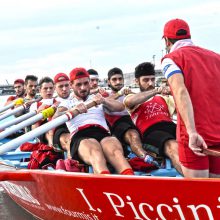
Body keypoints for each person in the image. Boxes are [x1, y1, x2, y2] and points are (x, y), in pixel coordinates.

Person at [161, 18, 220, 178]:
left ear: (166, 41)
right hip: (217, 131)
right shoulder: (216, 57)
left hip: (193, 135)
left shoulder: (171, 59)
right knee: (216, 193)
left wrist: (192, 131)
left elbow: (180, 90)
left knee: (200, 193)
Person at [58, 67, 133, 175]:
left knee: (114, 150)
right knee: (95, 151)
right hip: (80, 136)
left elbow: (120, 107)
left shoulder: (97, 98)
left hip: (102, 132)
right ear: (71, 85)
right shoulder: (66, 102)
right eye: (78, 85)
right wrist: (73, 110)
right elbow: (57, 116)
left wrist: (104, 101)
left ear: (89, 82)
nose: (83, 88)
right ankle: (105, 185)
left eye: (85, 83)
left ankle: (130, 182)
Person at [124, 62, 182, 174]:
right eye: (146, 80)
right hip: (151, 132)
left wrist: (174, 92)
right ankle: (197, 188)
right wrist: (156, 90)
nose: (150, 83)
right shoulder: (132, 97)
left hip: (171, 126)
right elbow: (129, 102)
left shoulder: (164, 98)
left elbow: (183, 107)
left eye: (152, 79)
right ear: (137, 81)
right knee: (172, 146)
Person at [105, 67, 148, 160]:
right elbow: (103, 101)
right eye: (114, 79)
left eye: (120, 79)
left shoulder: (130, 93)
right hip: (117, 124)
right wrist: (119, 93)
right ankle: (146, 159)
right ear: (108, 82)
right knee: (133, 135)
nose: (118, 82)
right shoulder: (105, 94)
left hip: (134, 121)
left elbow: (144, 101)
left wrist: (132, 93)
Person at [29, 77, 56, 146]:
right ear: (40, 90)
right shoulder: (35, 105)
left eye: (51, 88)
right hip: (42, 133)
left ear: (54, 89)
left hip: (57, 130)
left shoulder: (60, 101)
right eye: (45, 88)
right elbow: (34, 127)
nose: (49, 90)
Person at [52, 73, 71, 157]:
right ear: (55, 88)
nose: (64, 89)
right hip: (60, 130)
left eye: (67, 85)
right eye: (60, 86)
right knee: (71, 141)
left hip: (76, 127)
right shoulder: (51, 102)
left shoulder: (76, 97)